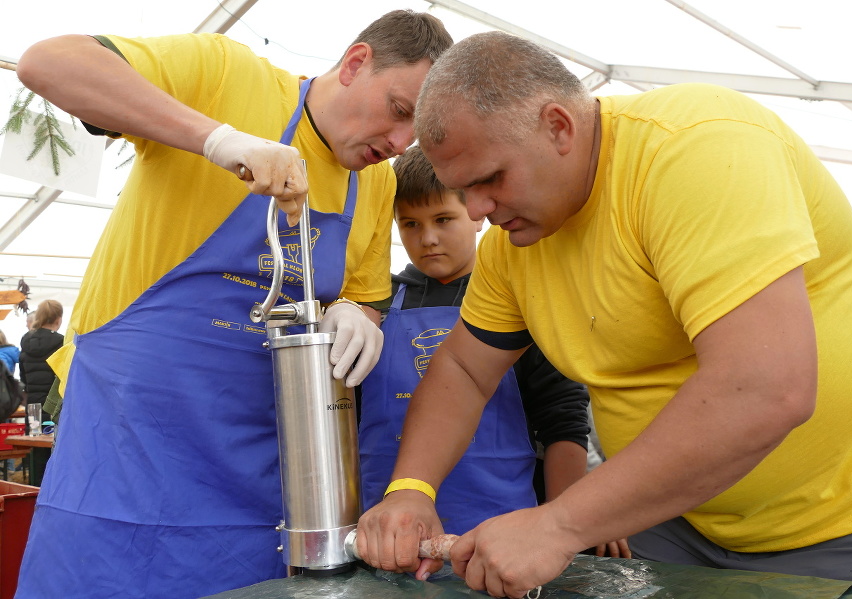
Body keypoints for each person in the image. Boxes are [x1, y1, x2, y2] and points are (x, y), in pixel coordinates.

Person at [354, 31, 852, 597]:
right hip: (670, 523)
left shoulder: (697, 149)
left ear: (559, 126)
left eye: (491, 178)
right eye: (462, 190)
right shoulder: (512, 249)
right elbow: (464, 372)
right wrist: (411, 489)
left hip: (849, 524)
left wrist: (557, 523)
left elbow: (764, 388)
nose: (478, 211)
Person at [14, 11, 452, 598]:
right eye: (399, 111)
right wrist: (218, 139)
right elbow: (47, 63)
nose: (399, 144)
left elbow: (367, 297)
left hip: (258, 465)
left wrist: (357, 314)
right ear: (355, 63)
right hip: (127, 437)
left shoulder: (374, 184)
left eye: (415, 134)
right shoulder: (229, 75)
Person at [358, 146, 628, 559]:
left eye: (443, 219)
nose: (427, 238)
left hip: (505, 534)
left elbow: (563, 418)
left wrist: (571, 519)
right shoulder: (373, 304)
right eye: (410, 224)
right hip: (388, 535)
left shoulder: (518, 296)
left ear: (477, 214)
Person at [18, 299, 64, 485]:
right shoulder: (62, 342)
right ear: (59, 319)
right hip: (54, 406)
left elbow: (24, 378)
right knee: (57, 451)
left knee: (36, 453)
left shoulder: (26, 342)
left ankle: (34, 495)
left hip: (33, 407)